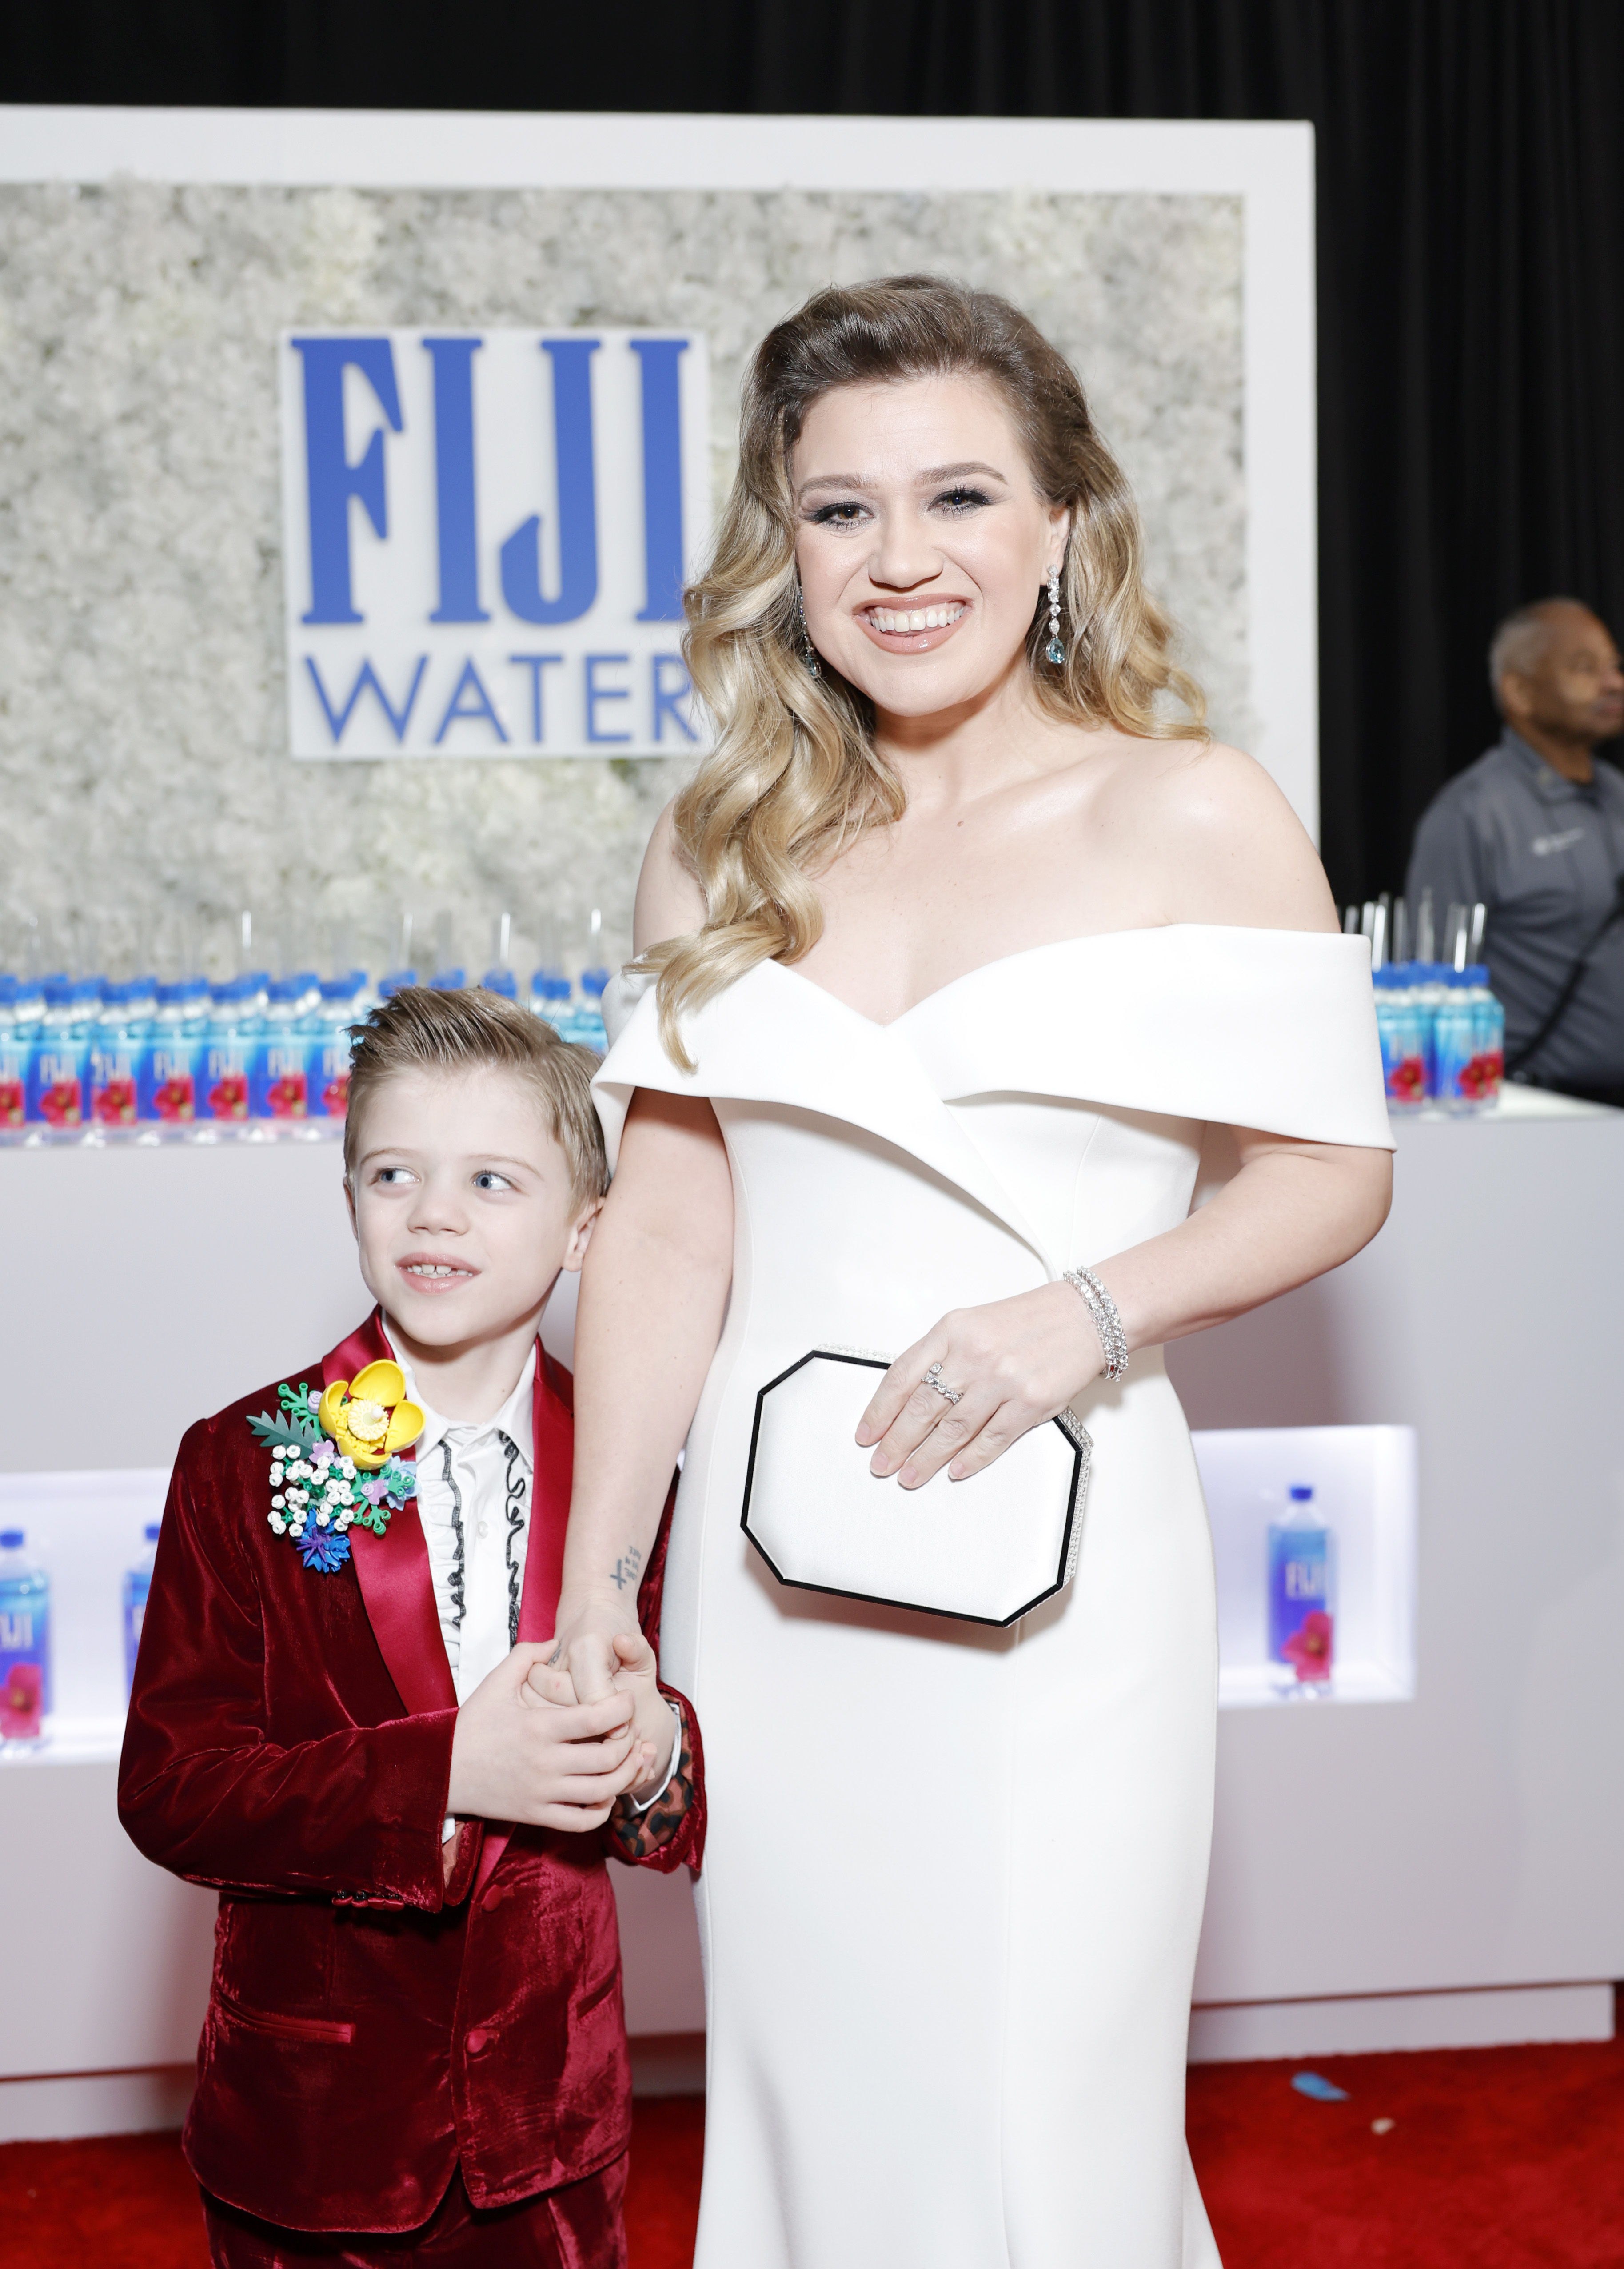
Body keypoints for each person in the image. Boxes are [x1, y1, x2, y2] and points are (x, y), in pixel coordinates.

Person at [546, 275, 1393, 2269]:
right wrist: (600, 1572)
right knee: (805, 2068)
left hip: (1069, 1558)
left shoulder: (1185, 805)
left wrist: (1080, 1309)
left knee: (1041, 2089)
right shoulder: (719, 835)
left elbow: (1333, 1174)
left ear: (1062, 528)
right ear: (784, 547)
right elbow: (672, 1217)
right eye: (839, 509)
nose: (899, 560)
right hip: (772, 1572)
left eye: (956, 498)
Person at [118, 986, 704, 2269]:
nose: (434, 1211)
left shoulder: (640, 1470)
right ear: (349, 1197)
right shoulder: (237, 1459)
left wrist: (655, 1753)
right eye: (394, 1171)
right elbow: (172, 1793)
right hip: (312, 2140)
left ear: (583, 1228)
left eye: (492, 1179)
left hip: (551, 2136)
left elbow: (683, 1793)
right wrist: (441, 1773)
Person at [1406, 596, 1624, 1103]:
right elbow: (1435, 985)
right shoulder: (1473, 812)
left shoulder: (1617, 795)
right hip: (1534, 1109)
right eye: (1582, 667)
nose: (1613, 682)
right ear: (1520, 692)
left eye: (1613, 665)